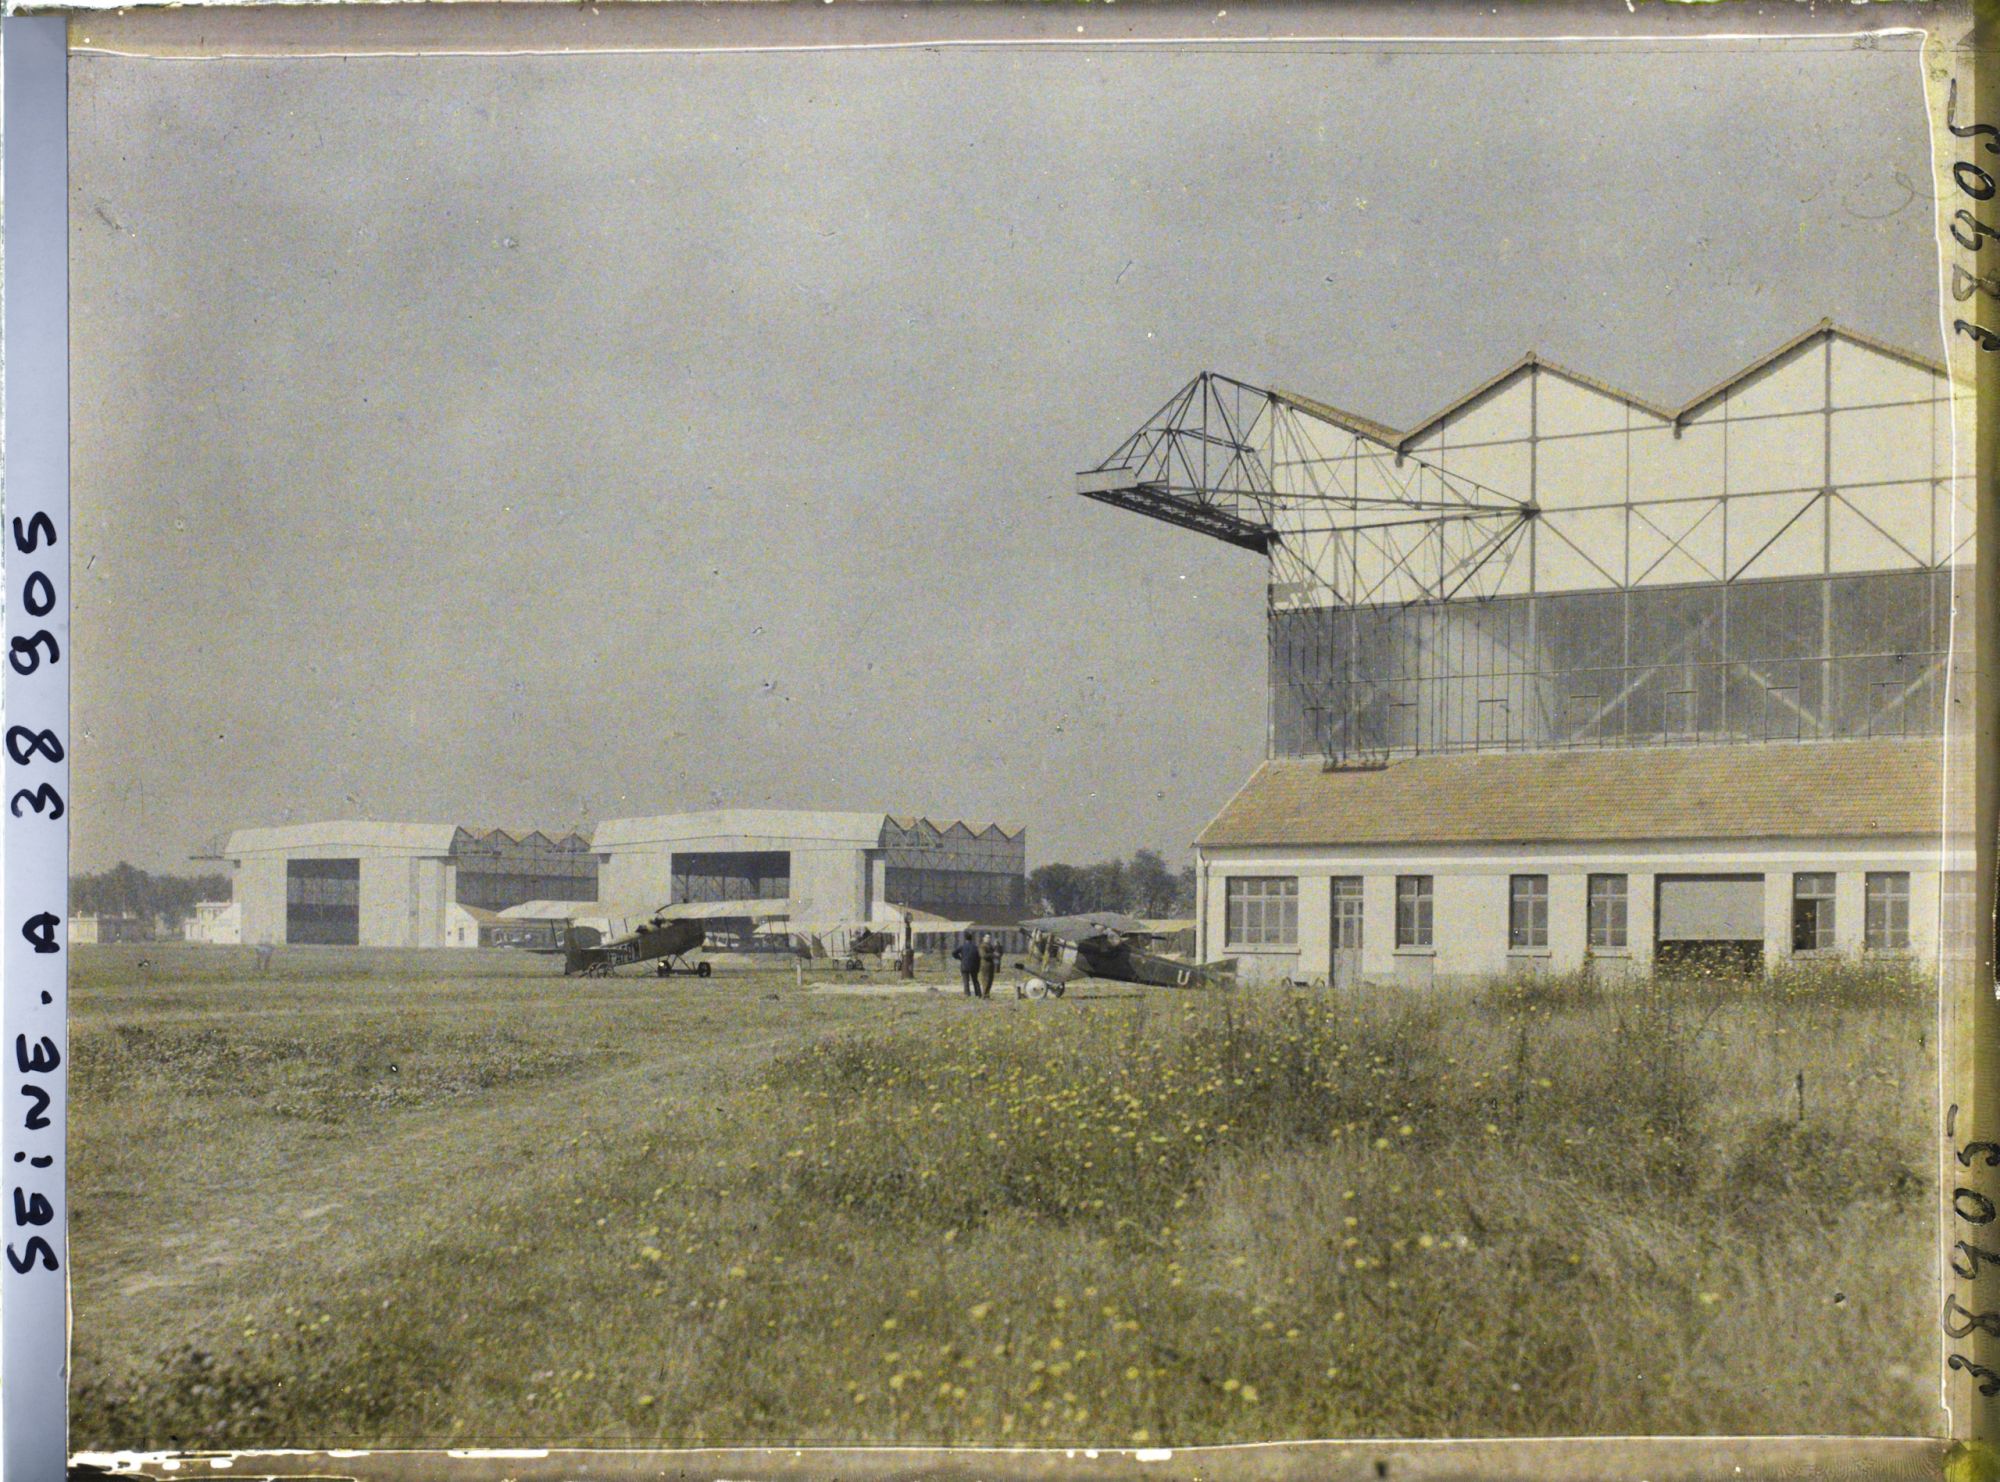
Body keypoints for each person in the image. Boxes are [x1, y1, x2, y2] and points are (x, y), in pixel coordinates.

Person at [952, 928, 981, 997]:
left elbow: (953, 953)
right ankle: (978, 994)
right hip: (974, 966)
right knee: (975, 981)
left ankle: (967, 994)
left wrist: (960, 958)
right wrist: (978, 965)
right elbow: (979, 957)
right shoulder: (975, 947)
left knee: (966, 981)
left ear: (965, 939)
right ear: (972, 939)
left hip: (964, 966)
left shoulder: (962, 946)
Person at [978, 933, 999, 999]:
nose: (988, 939)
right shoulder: (982, 946)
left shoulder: (989, 946)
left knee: (990, 980)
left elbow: (995, 952)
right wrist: (993, 954)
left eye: (989, 937)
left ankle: (987, 995)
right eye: (987, 937)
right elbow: (983, 955)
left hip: (990, 965)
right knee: (986, 980)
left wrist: (996, 946)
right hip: (985, 966)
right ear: (983, 938)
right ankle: (984, 995)